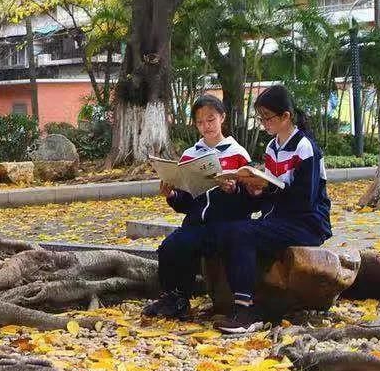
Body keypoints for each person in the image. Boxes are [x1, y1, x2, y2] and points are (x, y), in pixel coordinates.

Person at [212, 82, 332, 336]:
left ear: (286, 116)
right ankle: (244, 303)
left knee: (242, 233)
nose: (264, 123)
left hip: (308, 223)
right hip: (279, 220)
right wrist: (253, 189)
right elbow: (270, 196)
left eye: (268, 117)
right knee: (228, 230)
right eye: (261, 118)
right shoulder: (272, 148)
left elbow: (305, 200)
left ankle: (245, 312)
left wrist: (270, 189)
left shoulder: (305, 147)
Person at [142, 94, 252, 320]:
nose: (206, 126)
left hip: (228, 224)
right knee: (171, 246)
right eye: (200, 122)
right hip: (196, 224)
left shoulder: (238, 154)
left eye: (211, 120)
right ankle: (176, 298)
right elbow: (186, 201)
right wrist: (172, 194)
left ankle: (235, 305)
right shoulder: (190, 155)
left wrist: (234, 190)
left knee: (224, 246)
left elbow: (251, 199)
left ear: (222, 118)